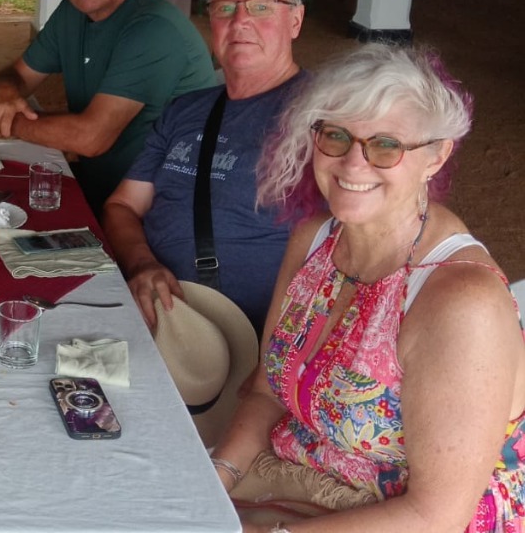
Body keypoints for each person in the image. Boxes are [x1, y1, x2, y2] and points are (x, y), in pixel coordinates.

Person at [210, 45, 525, 531]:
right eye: (336, 136)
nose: (353, 165)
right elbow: (268, 393)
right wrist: (215, 479)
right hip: (302, 479)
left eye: (386, 145)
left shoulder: (462, 302)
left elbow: (436, 515)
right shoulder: (315, 240)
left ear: (436, 155)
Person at [103, 0, 308, 336]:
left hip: (249, 336)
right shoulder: (186, 110)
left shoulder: (323, 117)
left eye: (261, 7)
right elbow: (122, 205)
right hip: (160, 313)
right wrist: (141, 263)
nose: (239, 20)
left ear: (295, 20)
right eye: (224, 8)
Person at [0, 0, 216, 214]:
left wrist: (2, 119)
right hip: (99, 186)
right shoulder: (72, 13)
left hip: (155, 210)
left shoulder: (153, 27)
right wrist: (2, 94)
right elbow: (19, 73)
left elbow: (91, 138)